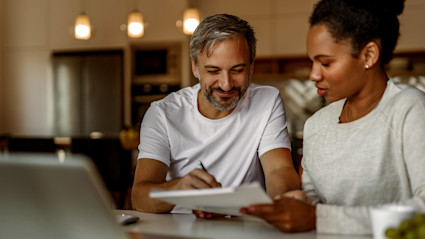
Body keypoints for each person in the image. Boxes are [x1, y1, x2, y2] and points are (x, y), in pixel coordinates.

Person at [241, 0, 425, 235]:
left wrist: (319, 218)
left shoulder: (410, 109)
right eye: (312, 62)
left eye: (326, 62)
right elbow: (310, 205)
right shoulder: (317, 125)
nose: (313, 74)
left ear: (369, 55)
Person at [131, 14, 300, 216]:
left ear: (252, 66)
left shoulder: (267, 100)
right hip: (182, 227)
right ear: (195, 67)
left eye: (237, 70)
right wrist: (177, 189)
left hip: (246, 223)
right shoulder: (162, 113)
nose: (226, 84)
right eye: (213, 71)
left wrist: (283, 203)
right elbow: (139, 197)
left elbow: (278, 170)